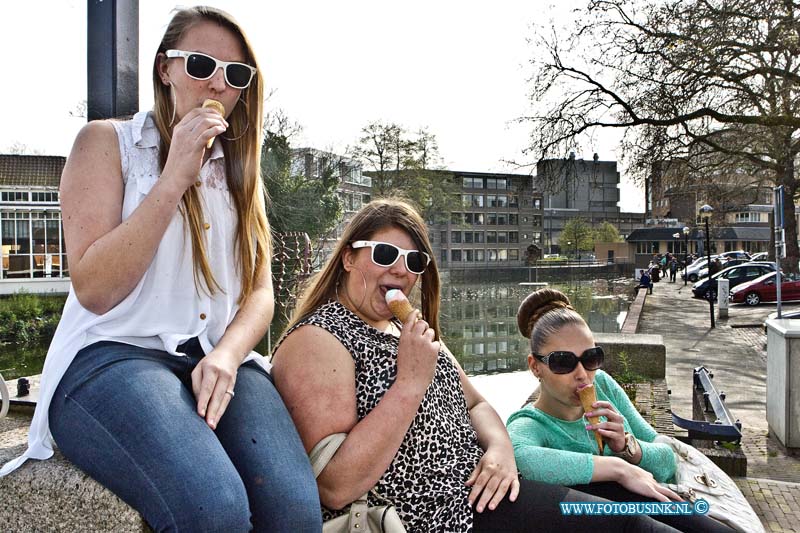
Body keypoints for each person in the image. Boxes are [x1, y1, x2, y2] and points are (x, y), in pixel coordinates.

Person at [0, 7, 321, 532]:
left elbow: (260, 294)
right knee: (212, 509)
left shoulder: (242, 175)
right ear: (164, 69)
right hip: (110, 355)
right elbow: (95, 289)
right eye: (200, 64)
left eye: (235, 74)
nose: (218, 82)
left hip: (214, 355)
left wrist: (227, 355)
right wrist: (173, 179)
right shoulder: (108, 144)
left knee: (294, 513)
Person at [271, 199, 677, 532]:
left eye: (414, 262)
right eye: (385, 254)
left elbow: (478, 405)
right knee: (631, 528)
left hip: (490, 490)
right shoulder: (319, 337)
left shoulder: (409, 329)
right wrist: (410, 383)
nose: (401, 270)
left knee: (669, 511)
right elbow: (336, 485)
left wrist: (500, 450)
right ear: (347, 258)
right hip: (440, 517)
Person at [506, 289, 733, 533]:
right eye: (563, 362)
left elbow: (668, 459)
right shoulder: (531, 423)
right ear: (535, 367)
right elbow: (520, 457)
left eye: (591, 358)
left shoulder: (601, 385)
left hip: (656, 509)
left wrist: (627, 447)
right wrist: (619, 469)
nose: (582, 374)